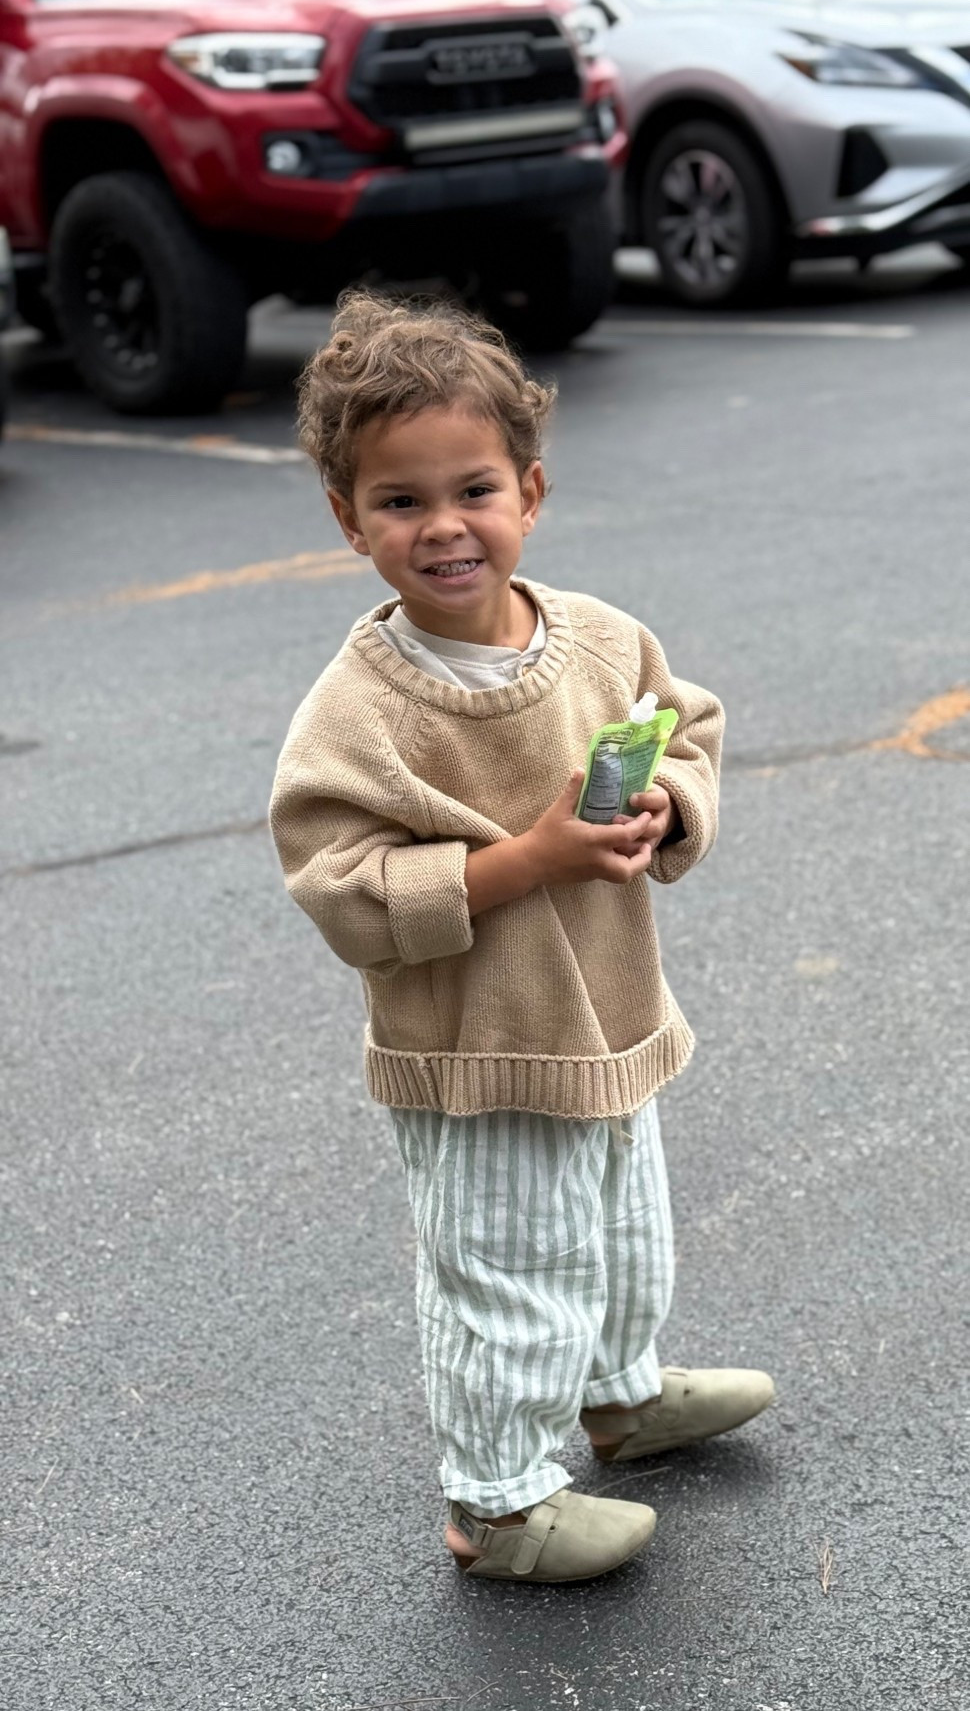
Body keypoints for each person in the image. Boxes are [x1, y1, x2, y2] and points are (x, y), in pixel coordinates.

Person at [270, 290, 775, 1585]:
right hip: (480, 1050)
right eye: (398, 500)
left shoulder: (601, 640)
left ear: (530, 489)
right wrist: (524, 861)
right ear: (346, 517)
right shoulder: (362, 709)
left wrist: (671, 807)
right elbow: (337, 883)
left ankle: (616, 1395)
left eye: (474, 486)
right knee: (509, 1266)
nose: (443, 524)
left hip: (604, 1016)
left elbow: (692, 722)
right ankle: (493, 1501)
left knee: (620, 1232)